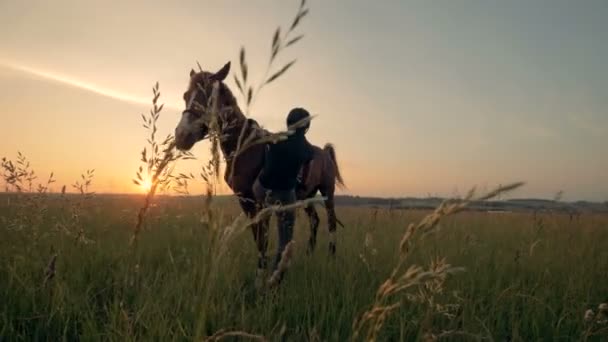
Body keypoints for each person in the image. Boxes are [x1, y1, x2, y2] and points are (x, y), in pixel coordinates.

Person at [253, 107, 315, 278]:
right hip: (286, 195)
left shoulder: (277, 138)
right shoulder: (307, 150)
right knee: (285, 241)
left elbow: (259, 134)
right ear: (307, 127)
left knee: (257, 185)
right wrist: (300, 183)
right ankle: (277, 277)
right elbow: (307, 170)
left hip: (263, 190)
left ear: (288, 123)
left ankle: (258, 216)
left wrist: (258, 129)